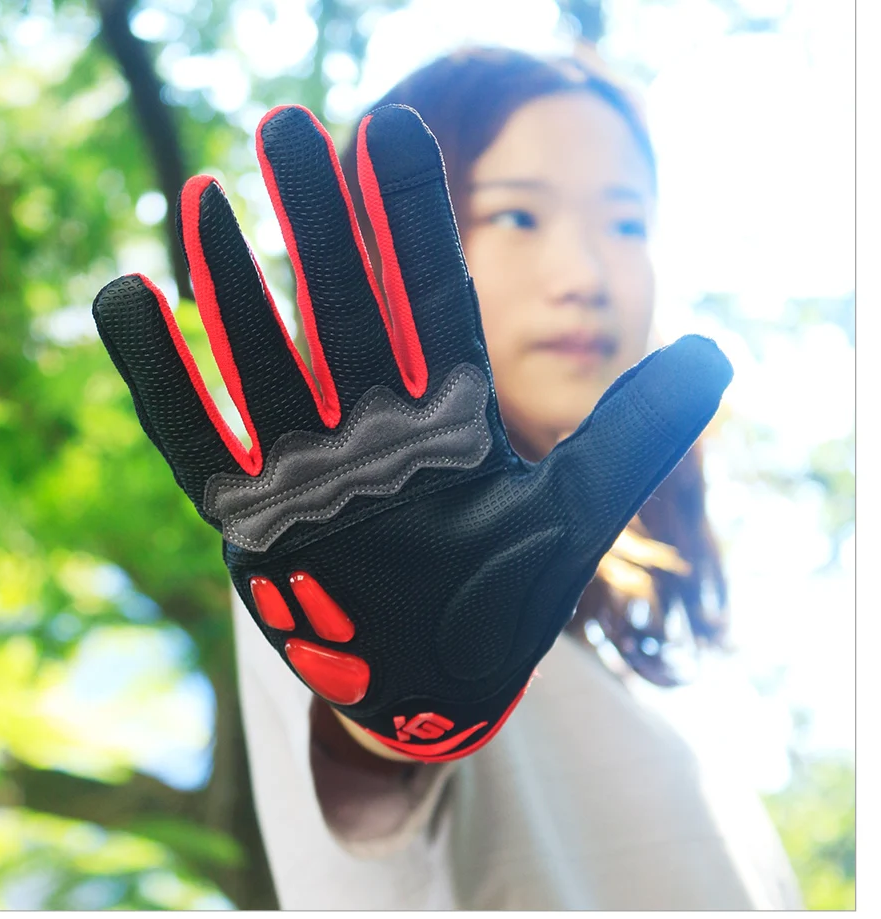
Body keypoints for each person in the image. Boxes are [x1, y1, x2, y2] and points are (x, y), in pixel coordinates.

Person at [93, 44, 803, 910]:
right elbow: (373, 748)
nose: (586, 276)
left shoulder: (626, 673)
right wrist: (409, 698)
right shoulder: (336, 551)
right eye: (517, 215)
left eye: (627, 224)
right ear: (394, 241)